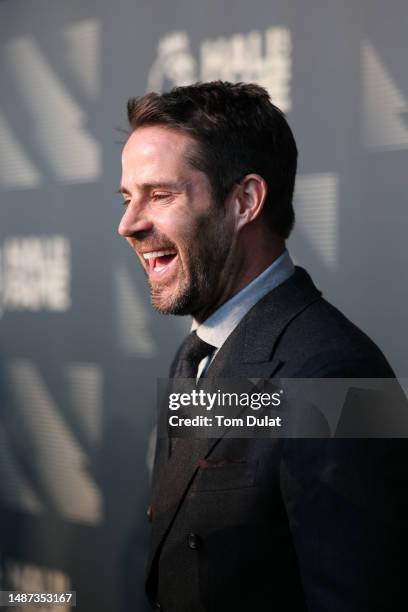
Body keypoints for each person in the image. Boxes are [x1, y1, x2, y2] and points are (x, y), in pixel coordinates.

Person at [118, 81, 407, 612]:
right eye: (128, 197)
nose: (128, 224)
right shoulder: (195, 355)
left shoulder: (340, 375)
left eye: (159, 195)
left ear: (245, 201)